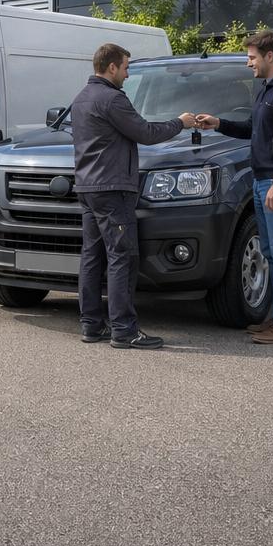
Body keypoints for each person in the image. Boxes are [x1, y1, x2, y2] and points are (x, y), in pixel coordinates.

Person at [71, 43, 195, 349]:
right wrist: (181, 122)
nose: (127, 73)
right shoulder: (112, 99)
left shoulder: (81, 98)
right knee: (121, 259)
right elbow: (146, 133)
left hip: (87, 188)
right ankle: (124, 330)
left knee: (91, 257)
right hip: (113, 190)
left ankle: (91, 325)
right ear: (111, 67)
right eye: (125, 67)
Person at [195, 30, 273, 344]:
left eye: (252, 57)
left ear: (269, 56)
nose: (249, 64)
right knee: (272, 252)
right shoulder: (266, 91)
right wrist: (218, 123)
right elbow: (252, 130)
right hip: (262, 182)